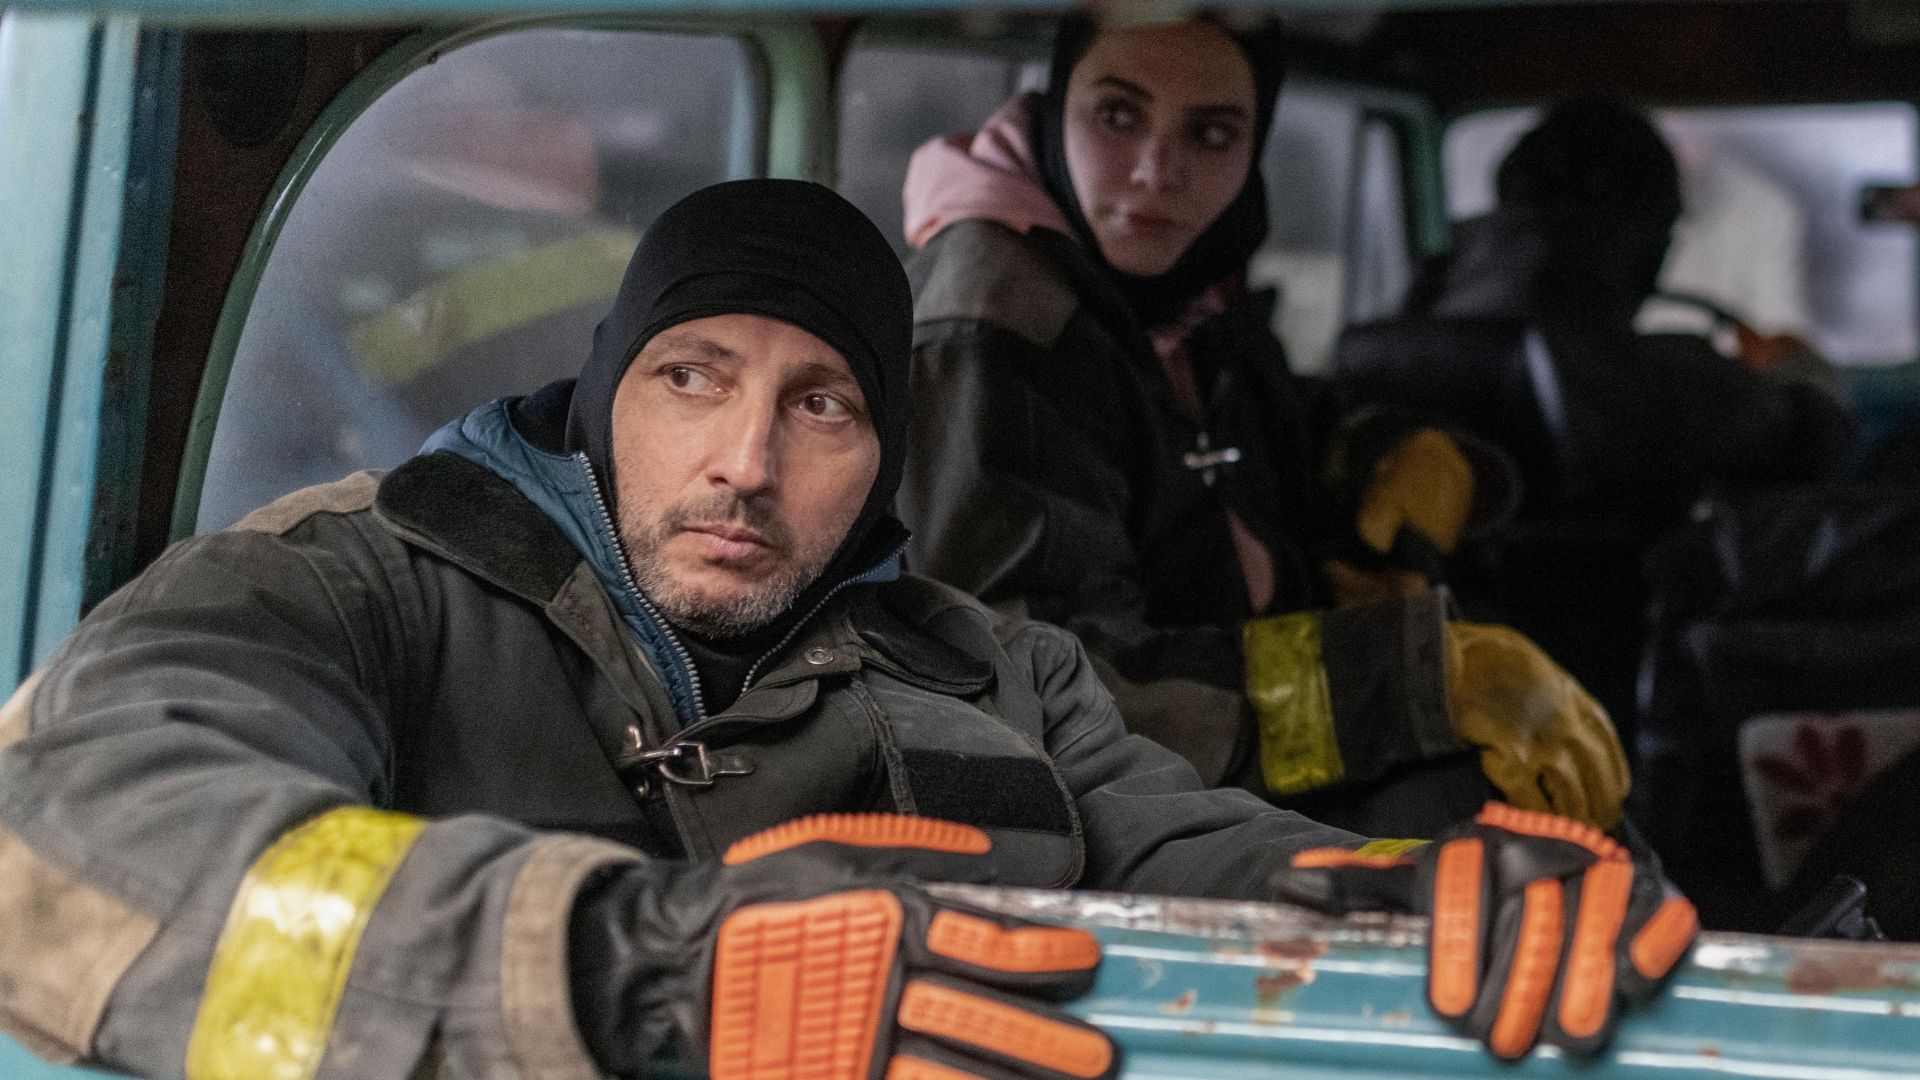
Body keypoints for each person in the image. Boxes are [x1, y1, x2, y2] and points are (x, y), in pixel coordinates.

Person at [0, 180, 1691, 1079]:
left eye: (822, 404)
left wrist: (1414, 896)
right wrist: (643, 968)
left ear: (886, 458)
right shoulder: (351, 584)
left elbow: (1196, 856)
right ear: (603, 396)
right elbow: (58, 843)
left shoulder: (996, 667)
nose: (746, 460)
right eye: (692, 377)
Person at [897, 15, 1626, 838]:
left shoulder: (1190, 293)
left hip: (1232, 772)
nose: (1156, 172)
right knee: (1485, 836)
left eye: (1211, 133)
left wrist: (1381, 456)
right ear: (1055, 108)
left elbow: (1275, 428)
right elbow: (1042, 691)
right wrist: (1411, 681)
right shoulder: (997, 331)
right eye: (1118, 116)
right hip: (1101, 811)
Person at [1335, 100, 1854, 732]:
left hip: (1408, 704)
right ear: (1643, 234)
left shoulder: (1367, 354)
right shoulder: (1666, 382)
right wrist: (1799, 368)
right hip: (1611, 713)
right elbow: (1817, 448)